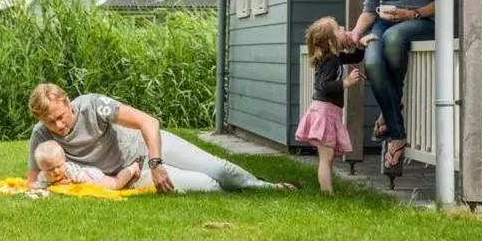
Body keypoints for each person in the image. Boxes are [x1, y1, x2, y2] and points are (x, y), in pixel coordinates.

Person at [25, 82, 296, 194]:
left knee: (217, 169)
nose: (59, 125)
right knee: (207, 185)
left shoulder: (94, 105)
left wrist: (156, 163)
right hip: (130, 173)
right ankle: (239, 190)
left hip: (149, 148)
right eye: (51, 121)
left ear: (68, 102)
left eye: (62, 116)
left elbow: (148, 121)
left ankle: (266, 187)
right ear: (41, 121)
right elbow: (33, 181)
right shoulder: (41, 136)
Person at [345, 0, 436, 170]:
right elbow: (370, 7)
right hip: (385, 21)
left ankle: (390, 119)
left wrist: (413, 13)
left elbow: (444, 0)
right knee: (372, 60)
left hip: (424, 19)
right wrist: (355, 33)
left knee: (395, 38)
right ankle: (397, 130)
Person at [296, 16, 371, 194]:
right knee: (326, 156)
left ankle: (327, 190)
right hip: (324, 112)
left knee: (328, 157)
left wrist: (361, 45)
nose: (343, 28)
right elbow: (323, 86)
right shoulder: (329, 61)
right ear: (330, 40)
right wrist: (345, 82)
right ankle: (327, 194)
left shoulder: (335, 57)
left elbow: (355, 57)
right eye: (338, 28)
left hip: (330, 112)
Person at [32, 139, 141, 190]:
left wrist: (71, 185)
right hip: (85, 176)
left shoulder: (70, 171)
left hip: (91, 175)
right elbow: (38, 187)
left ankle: (133, 167)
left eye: (58, 166)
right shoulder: (43, 176)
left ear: (64, 160)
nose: (55, 171)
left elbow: (89, 183)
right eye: (49, 169)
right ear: (42, 169)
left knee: (115, 184)